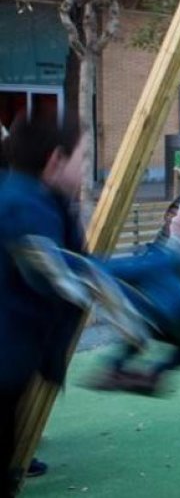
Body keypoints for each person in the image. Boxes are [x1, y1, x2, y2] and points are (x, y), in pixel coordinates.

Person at [0, 117, 85, 496]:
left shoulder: (32, 198)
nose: (85, 168)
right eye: (82, 159)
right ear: (55, 161)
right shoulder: (25, 206)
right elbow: (53, 275)